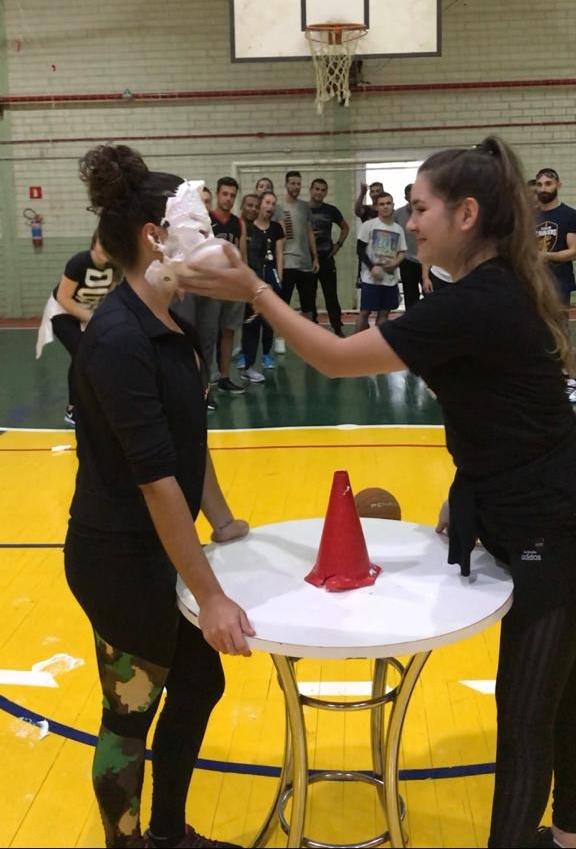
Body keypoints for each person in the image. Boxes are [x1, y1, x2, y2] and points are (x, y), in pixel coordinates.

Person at [183, 135, 576, 849]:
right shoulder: (488, 290)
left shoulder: (477, 301)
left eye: (420, 207)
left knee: (529, 714)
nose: (409, 218)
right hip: (529, 499)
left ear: (465, 213)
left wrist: (256, 291)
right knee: (562, 696)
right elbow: (508, 409)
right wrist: (471, 486)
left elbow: (333, 358)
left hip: (555, 520)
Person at [68, 143, 254, 849]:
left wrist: (226, 519)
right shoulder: (119, 338)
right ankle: (129, 842)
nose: (207, 238)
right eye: (194, 225)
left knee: (200, 684)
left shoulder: (173, 323)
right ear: (154, 235)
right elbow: (153, 479)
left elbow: (186, 445)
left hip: (160, 552)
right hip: (119, 561)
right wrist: (210, 596)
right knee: (128, 713)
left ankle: (170, 833)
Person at [35, 232, 119, 425]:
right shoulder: (78, 263)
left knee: (103, 351)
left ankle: (97, 400)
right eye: (102, 243)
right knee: (82, 352)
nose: (106, 248)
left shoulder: (115, 267)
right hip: (62, 311)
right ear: (93, 244)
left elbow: (111, 295)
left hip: (87, 312)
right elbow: (64, 298)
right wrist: (91, 318)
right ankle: (73, 408)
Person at [195, 176, 246, 395]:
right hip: (211, 285)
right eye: (225, 194)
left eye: (232, 195)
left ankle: (224, 377)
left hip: (232, 284)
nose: (228, 199)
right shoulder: (205, 220)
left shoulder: (238, 222)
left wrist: (245, 283)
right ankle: (204, 385)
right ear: (218, 194)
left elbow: (242, 255)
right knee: (208, 334)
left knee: (228, 331)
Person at [239, 191, 284, 380]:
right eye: (250, 206)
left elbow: (273, 256)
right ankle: (239, 362)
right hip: (240, 282)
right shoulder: (241, 227)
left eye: (256, 206)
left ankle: (258, 359)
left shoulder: (267, 231)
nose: (254, 209)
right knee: (242, 323)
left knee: (261, 320)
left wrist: (275, 280)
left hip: (260, 281)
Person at [273, 170, 319, 353]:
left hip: (305, 264)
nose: (295, 187)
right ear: (286, 184)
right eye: (292, 183)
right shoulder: (278, 208)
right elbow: (276, 237)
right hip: (287, 263)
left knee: (308, 305)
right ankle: (279, 338)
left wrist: (315, 256)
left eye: (298, 184)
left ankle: (307, 340)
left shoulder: (304, 206)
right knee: (282, 305)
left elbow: (309, 232)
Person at [355, 192, 406, 332]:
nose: (385, 207)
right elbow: (359, 250)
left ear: (393, 206)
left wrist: (395, 263)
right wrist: (372, 268)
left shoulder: (398, 229)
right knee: (364, 312)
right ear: (376, 207)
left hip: (389, 280)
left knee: (384, 314)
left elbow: (402, 252)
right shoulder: (368, 225)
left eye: (388, 203)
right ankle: (355, 346)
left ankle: (377, 346)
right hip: (370, 279)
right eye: (382, 204)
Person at [308, 177, 350, 336]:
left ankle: (337, 328)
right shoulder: (303, 209)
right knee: (309, 297)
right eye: (316, 189)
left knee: (331, 295)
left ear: (325, 192)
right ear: (311, 190)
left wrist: (338, 245)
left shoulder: (331, 210)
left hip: (326, 258)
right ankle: (312, 329)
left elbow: (345, 227)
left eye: (322, 190)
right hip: (308, 260)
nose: (319, 192)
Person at [395, 183, 424, 309]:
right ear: (406, 197)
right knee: (411, 295)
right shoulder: (398, 214)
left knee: (430, 293)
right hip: (407, 260)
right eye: (410, 196)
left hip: (427, 260)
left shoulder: (427, 211)